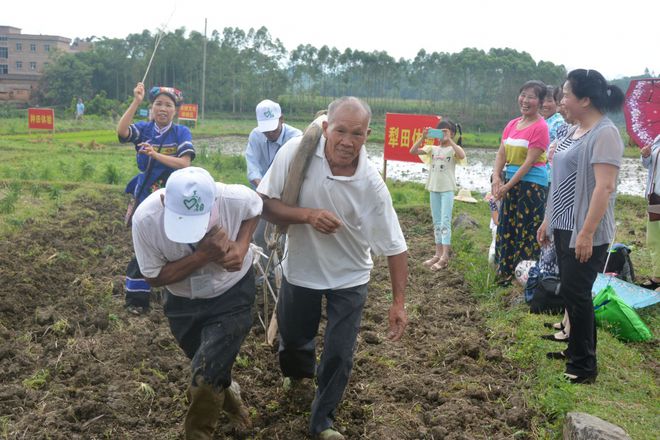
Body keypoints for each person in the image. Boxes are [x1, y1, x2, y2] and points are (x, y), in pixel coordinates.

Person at [257, 97, 408, 440]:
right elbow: (264, 205)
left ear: (367, 135)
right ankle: (298, 378)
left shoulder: (370, 184)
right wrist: (307, 215)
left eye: (357, 134)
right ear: (326, 128)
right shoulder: (297, 154)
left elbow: (396, 248)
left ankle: (322, 421)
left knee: (340, 353)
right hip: (301, 270)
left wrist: (398, 303)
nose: (347, 141)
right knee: (295, 341)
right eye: (340, 131)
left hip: (350, 276)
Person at [131, 166, 262, 438]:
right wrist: (202, 256)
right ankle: (231, 399)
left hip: (232, 293)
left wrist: (241, 246)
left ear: (214, 201)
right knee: (207, 366)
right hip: (183, 302)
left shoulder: (232, 198)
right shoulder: (146, 219)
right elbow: (154, 277)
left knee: (204, 375)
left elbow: (256, 208)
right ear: (166, 200)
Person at [537, 68, 625, 384]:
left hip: (585, 232)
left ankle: (584, 366)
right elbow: (559, 183)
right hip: (563, 226)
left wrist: (587, 232)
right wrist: (548, 219)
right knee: (572, 293)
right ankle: (574, 352)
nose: (561, 101)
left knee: (578, 294)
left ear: (585, 100)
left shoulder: (605, 133)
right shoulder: (572, 132)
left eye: (566, 95)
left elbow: (604, 187)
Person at [117, 82, 195, 315]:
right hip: (145, 195)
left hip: (173, 196)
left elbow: (184, 163)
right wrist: (135, 101)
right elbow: (122, 132)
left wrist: (155, 154)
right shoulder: (144, 129)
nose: (163, 108)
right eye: (158, 104)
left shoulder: (181, 133)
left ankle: (175, 294)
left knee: (176, 242)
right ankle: (137, 301)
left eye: (168, 105)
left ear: (175, 110)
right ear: (151, 108)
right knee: (144, 245)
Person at [492, 80, 550, 285]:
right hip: (511, 182)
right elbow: (501, 153)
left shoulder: (541, 127)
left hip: (532, 185)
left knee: (526, 230)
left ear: (541, 102)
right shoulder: (512, 124)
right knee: (507, 225)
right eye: (523, 95)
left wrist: (508, 185)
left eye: (531, 97)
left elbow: (529, 162)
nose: (525, 100)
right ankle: (505, 272)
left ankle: (524, 277)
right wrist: (497, 177)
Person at [245, 99, 302, 268]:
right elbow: (252, 166)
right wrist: (263, 188)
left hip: (287, 196)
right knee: (260, 234)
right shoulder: (255, 135)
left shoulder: (296, 138)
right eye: (265, 129)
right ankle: (267, 274)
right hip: (263, 196)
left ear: (281, 119)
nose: (269, 132)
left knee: (287, 236)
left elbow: (295, 173)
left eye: (273, 127)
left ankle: (287, 272)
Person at [409, 119, 466, 270]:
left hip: (447, 189)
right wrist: (423, 137)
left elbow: (461, 155)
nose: (441, 135)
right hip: (434, 189)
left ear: (452, 133)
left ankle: (445, 256)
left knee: (445, 221)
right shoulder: (432, 149)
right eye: (439, 132)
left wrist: (450, 141)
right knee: (437, 222)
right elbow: (412, 151)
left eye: (445, 132)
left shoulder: (453, 149)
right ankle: (437, 253)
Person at [640, 134, 660, 291]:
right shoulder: (657, 138)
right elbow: (649, 165)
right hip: (655, 196)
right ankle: (657, 276)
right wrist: (645, 156)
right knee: (655, 238)